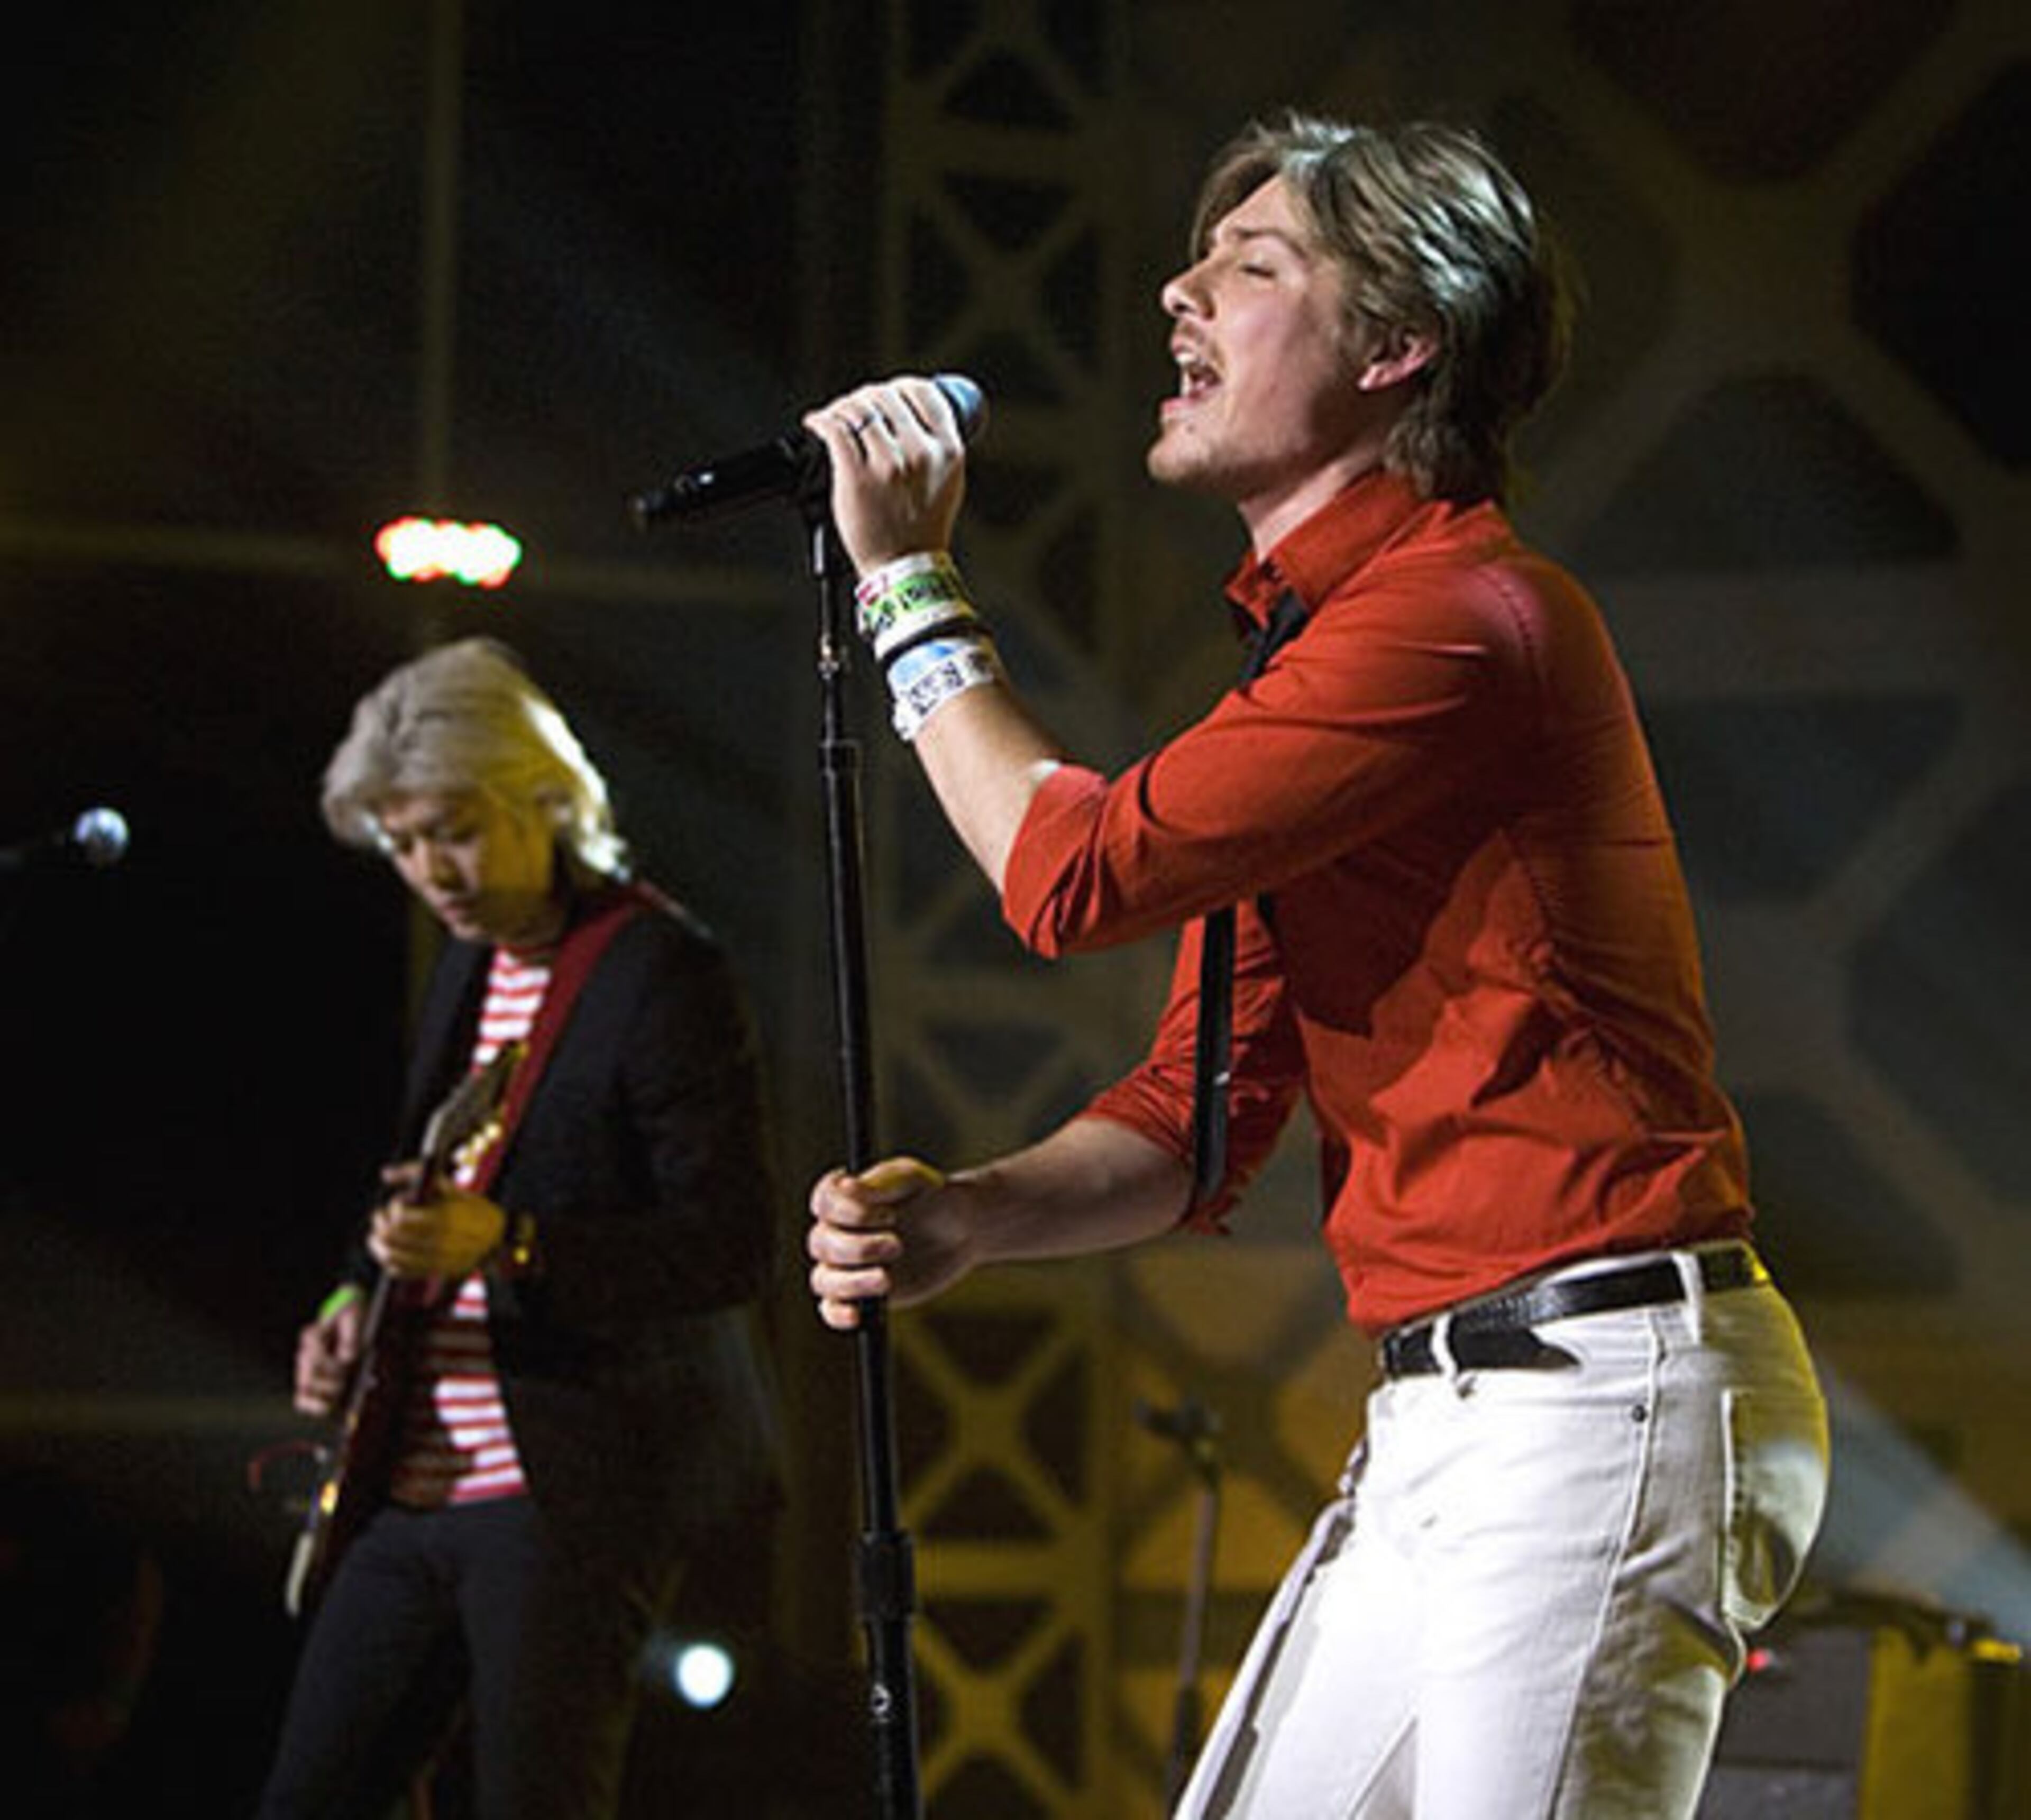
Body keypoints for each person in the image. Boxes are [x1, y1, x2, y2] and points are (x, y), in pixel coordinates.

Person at [802, 113, 1830, 1817]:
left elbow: (1072, 872)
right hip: (1460, 1415)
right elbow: (1198, 1112)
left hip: (1598, 1399)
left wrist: (907, 584)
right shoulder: (1325, 656)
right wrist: (974, 1215)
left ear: (1399, 344)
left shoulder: (1459, 620)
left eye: (1252, 265)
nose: (1179, 291)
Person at [259, 637, 783, 1820]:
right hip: (412, 1482)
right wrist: (348, 1304)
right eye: (400, 842)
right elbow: (418, 1182)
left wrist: (512, 1245)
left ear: (539, 796)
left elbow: (731, 1244)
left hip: (564, 1492)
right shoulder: (470, 962)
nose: (427, 870)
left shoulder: (660, 971)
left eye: (451, 831)